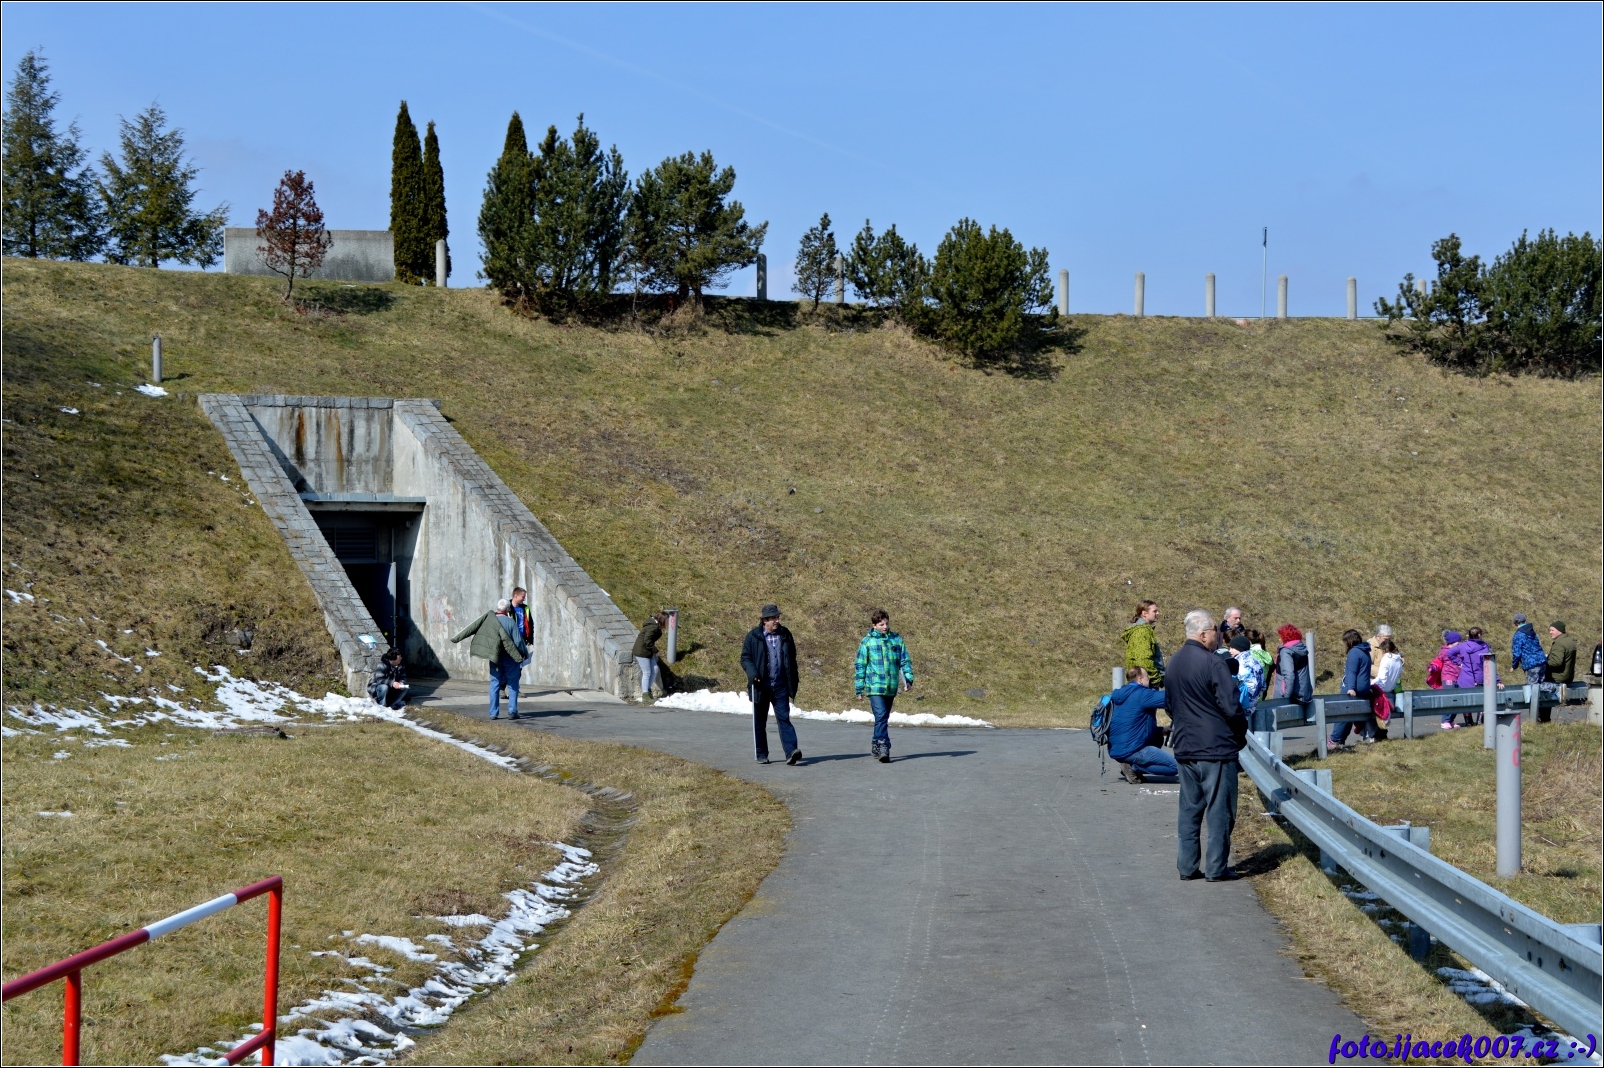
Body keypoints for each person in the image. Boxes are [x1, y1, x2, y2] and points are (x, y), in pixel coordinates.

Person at [1166, 609, 1247, 882]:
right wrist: (1240, 732)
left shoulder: (1174, 662)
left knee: (1189, 810)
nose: (1219, 635)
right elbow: (1232, 707)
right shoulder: (1213, 664)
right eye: (1215, 630)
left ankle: (1187, 866)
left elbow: (1169, 706)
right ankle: (1216, 867)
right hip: (1216, 748)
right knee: (1220, 810)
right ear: (1203, 634)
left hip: (1185, 746)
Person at [741, 604, 802, 765]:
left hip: (780, 685)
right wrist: (753, 674)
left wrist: (792, 676)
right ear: (764, 620)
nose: (777, 620)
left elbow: (791, 656)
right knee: (760, 721)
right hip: (761, 686)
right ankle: (761, 753)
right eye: (773, 618)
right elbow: (745, 658)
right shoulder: (753, 636)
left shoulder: (785, 634)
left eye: (777, 617)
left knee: (784, 718)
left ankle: (791, 752)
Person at [450, 598, 529, 720]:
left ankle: (493, 713)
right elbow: (518, 641)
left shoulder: (489, 621)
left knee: (495, 684)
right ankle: (512, 711)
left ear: (498, 608)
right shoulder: (510, 622)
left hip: (495, 657)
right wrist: (525, 653)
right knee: (513, 684)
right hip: (510, 658)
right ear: (508, 610)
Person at [854, 609, 914, 763]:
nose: (885, 627)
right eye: (881, 624)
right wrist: (859, 688)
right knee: (880, 716)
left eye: (886, 623)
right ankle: (883, 746)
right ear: (874, 625)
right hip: (874, 686)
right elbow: (860, 665)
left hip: (891, 686)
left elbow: (904, 661)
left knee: (883, 718)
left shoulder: (896, 640)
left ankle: (876, 741)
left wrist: (908, 680)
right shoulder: (867, 642)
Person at [1109, 666, 1177, 783]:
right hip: (1133, 749)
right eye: (1147, 677)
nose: (1149, 679)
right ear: (1140, 679)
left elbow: (1134, 724)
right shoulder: (1142, 694)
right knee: (1175, 767)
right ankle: (1133, 767)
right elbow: (1171, 697)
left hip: (1115, 749)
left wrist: (1160, 730)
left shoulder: (1119, 695)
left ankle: (1131, 763)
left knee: (1158, 737)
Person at [1441, 627, 1497, 729]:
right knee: (1483, 700)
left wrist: (1460, 663)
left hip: (1465, 677)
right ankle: (1480, 722)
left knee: (1466, 700)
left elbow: (1449, 653)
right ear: (1479, 635)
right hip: (1480, 676)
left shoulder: (1463, 646)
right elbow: (1489, 663)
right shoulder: (1484, 646)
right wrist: (1497, 679)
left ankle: (1468, 723)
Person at [1328, 629, 1374, 749]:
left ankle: (1335, 739)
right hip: (1364, 688)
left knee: (1342, 714)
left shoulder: (1354, 652)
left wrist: (1351, 688)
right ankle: (1341, 740)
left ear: (1350, 641)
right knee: (1350, 715)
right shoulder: (1366, 651)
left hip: (1353, 687)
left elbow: (1351, 672)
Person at [1121, 600, 1166, 686]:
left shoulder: (1144, 630)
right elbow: (1144, 659)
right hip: (1146, 683)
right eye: (1154, 611)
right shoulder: (1142, 632)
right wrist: (1156, 679)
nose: (1158, 613)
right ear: (1144, 613)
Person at [1272, 625, 1313, 714]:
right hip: (1303, 695)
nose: (1279, 639)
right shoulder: (1301, 649)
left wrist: (1286, 695)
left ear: (1286, 637)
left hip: (1291, 697)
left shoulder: (1286, 651)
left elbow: (1289, 675)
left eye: (1281, 636)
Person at [1370, 637, 1403, 735]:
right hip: (1390, 688)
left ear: (1384, 650)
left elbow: (1382, 677)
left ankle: (1372, 732)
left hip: (1381, 687)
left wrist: (1371, 683)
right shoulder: (1399, 660)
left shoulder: (1386, 658)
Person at [633, 611, 668, 701]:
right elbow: (647, 640)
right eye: (667, 621)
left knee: (655, 669)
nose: (667, 623)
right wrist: (655, 650)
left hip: (647, 651)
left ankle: (648, 691)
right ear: (662, 620)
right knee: (647, 672)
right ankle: (645, 694)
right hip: (642, 651)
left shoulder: (654, 625)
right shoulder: (652, 627)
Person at [1229, 635, 1264, 716]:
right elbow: (1262, 685)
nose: (1229, 650)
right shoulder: (1255, 661)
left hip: (1242, 706)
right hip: (1253, 705)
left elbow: (1241, 685)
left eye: (1232, 648)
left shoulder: (1240, 663)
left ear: (1240, 648)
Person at [1546, 622, 1578, 690]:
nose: (1550, 632)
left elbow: (1556, 662)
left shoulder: (1559, 643)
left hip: (1557, 678)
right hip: (1568, 677)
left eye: (1552, 630)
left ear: (1559, 630)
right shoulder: (1569, 641)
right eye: (1550, 630)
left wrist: (1544, 660)